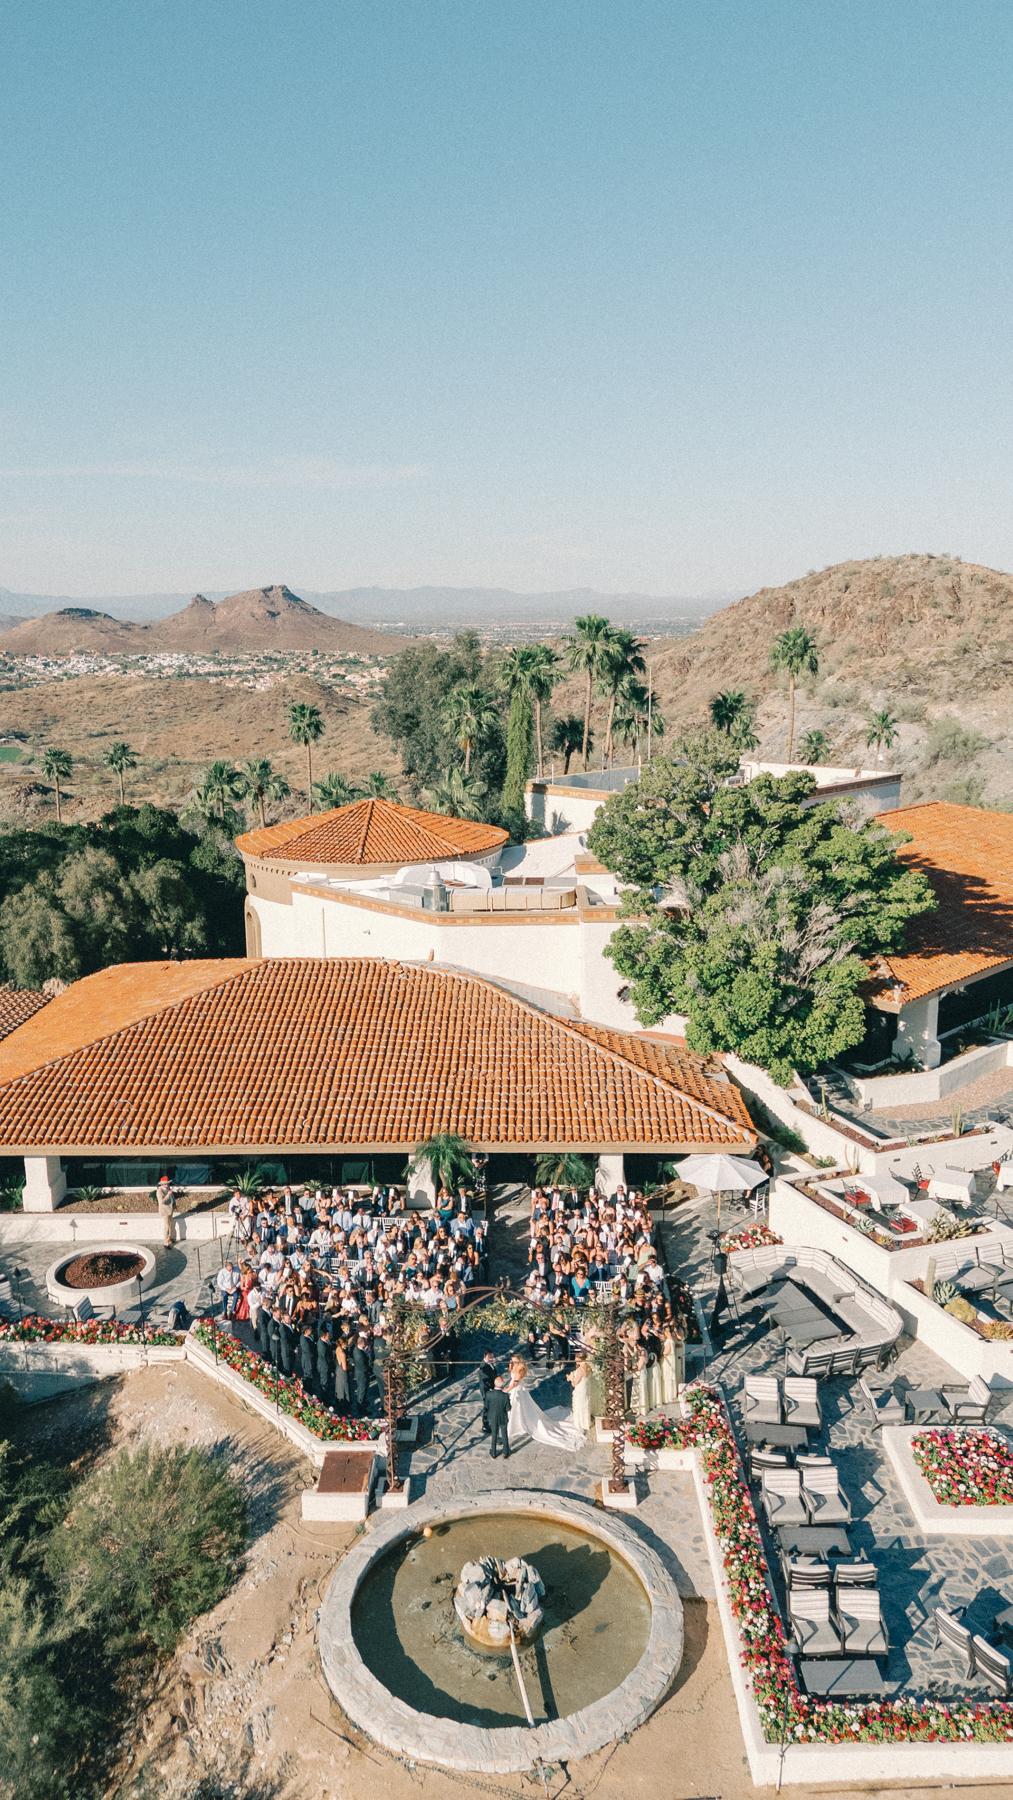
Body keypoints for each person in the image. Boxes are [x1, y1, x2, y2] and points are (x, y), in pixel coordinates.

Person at [503, 1353, 585, 1453]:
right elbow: (511, 1375)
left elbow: (514, 1384)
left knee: (518, 1407)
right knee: (515, 1408)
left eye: (514, 1361)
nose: (512, 1362)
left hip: (518, 1391)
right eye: (512, 1361)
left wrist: (504, 1390)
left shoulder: (520, 1369)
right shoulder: (514, 1366)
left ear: (519, 1361)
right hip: (515, 1391)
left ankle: (517, 1426)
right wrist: (511, 1365)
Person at [487, 1377, 511, 1460]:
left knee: (494, 1434)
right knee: (504, 1434)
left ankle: (493, 1452)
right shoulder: (505, 1396)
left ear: (494, 1383)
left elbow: (486, 1406)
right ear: (502, 1385)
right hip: (503, 1417)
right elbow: (508, 1408)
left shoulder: (489, 1394)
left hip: (493, 1417)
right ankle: (506, 1452)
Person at [569, 1351, 592, 1433]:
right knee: (584, 1403)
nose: (575, 1360)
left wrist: (571, 1379)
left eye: (576, 1359)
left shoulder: (580, 1370)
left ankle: (580, 1423)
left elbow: (575, 1383)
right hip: (585, 1388)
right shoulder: (588, 1367)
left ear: (580, 1359)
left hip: (580, 1388)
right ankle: (585, 1422)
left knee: (579, 1403)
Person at [478, 1351, 497, 1435]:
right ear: (484, 1357)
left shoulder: (489, 1364)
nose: (491, 1359)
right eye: (490, 1358)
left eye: (492, 1357)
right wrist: (494, 1387)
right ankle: (485, 1425)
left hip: (490, 1388)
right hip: (487, 1389)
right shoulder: (483, 1367)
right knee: (487, 1407)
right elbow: (486, 1380)